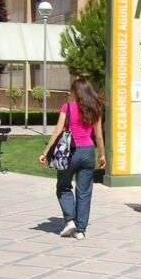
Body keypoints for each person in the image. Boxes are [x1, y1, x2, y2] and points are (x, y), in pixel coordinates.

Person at [39, 79, 107, 238]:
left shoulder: (67, 107)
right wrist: (101, 155)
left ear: (76, 92)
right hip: (89, 151)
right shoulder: (96, 108)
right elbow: (99, 137)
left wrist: (45, 152)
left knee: (63, 186)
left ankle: (70, 220)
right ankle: (81, 230)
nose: (70, 94)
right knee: (84, 192)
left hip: (70, 152)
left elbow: (57, 132)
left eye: (71, 91)